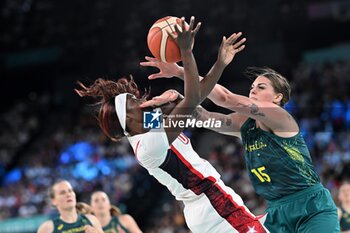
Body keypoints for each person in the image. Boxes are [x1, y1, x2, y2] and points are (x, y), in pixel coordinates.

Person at [76, 16, 268, 233]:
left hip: (210, 204)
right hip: (211, 205)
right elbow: (193, 98)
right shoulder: (149, 144)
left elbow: (196, 97)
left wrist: (219, 64)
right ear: (128, 119)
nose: (141, 100)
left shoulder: (147, 124)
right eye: (133, 102)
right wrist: (186, 52)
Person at [140, 58, 340, 232]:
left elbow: (226, 98)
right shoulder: (244, 124)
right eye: (252, 87)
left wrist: (180, 71)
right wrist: (177, 99)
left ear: (277, 97)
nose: (253, 90)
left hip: (311, 206)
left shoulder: (281, 118)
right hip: (276, 213)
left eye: (261, 87)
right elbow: (203, 117)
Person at [37, 180, 104, 233]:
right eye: (63, 193)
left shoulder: (92, 220)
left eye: (70, 190)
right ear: (54, 201)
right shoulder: (47, 228)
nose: (68, 194)